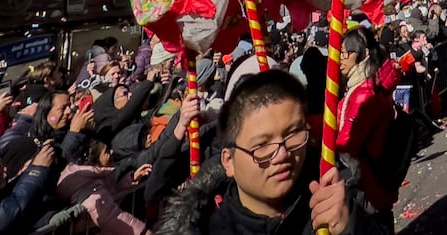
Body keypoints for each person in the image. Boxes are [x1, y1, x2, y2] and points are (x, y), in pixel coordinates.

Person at [158, 69, 380, 235]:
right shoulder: (203, 227)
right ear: (229, 161)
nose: (282, 154)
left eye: (293, 134)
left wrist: (351, 226)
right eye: (262, 146)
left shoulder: (334, 197)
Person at [336, 29, 395, 217]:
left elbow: (349, 142)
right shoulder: (359, 86)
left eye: (346, 53)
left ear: (364, 54)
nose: (341, 59)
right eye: (339, 53)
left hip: (367, 182)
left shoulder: (364, 93)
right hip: (372, 179)